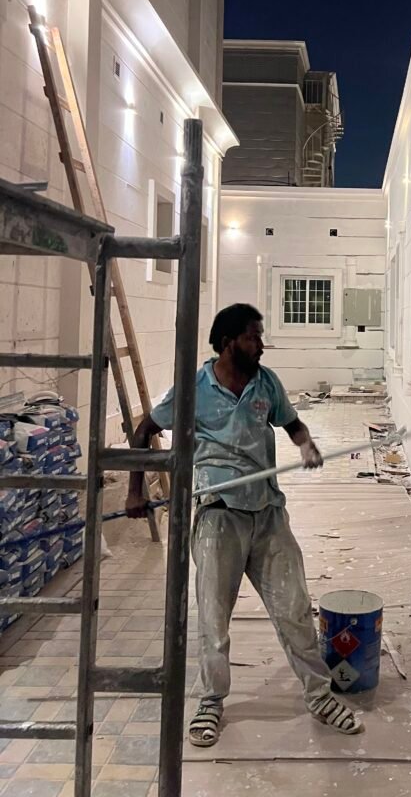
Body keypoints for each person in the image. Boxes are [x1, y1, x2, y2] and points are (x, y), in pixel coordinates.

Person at [125, 303, 362, 746]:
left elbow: (292, 423)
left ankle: (319, 695)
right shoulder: (194, 389)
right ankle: (211, 701)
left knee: (294, 608)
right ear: (228, 342)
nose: (261, 344)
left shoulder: (265, 382)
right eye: (253, 337)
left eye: (260, 336)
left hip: (267, 512)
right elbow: (143, 430)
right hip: (219, 514)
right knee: (214, 619)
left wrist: (307, 446)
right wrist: (135, 490)